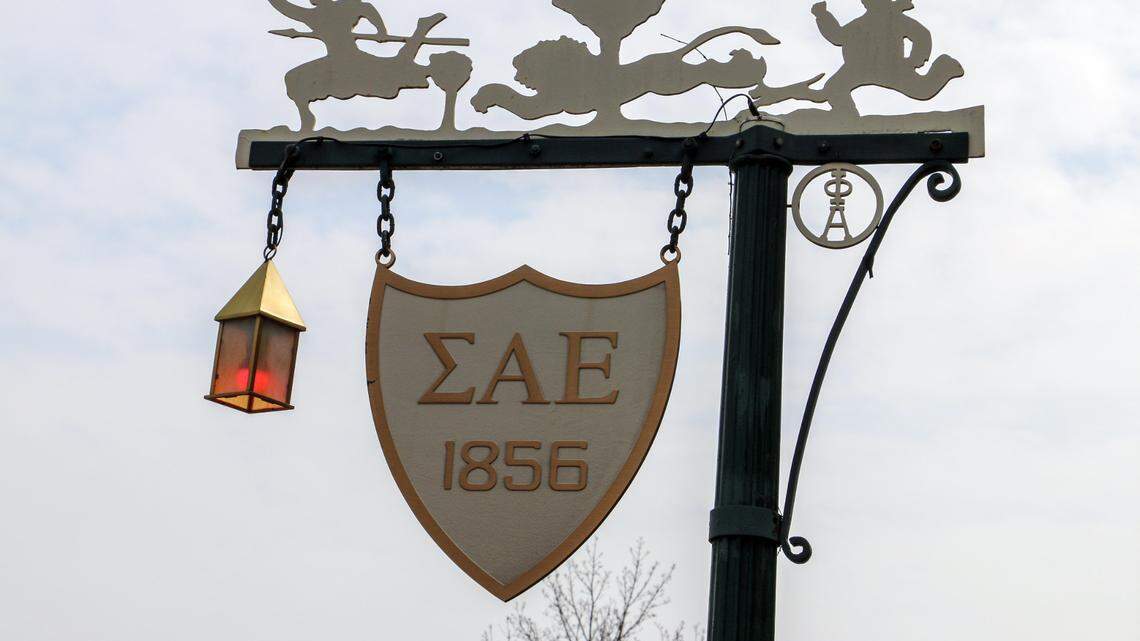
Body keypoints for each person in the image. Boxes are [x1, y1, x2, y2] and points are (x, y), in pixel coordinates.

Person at [811, 0, 963, 115]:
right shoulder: (859, 24)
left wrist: (915, 59)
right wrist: (823, 15)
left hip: (891, 68)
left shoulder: (895, 19)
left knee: (922, 90)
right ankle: (847, 116)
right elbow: (837, 36)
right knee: (835, 88)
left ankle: (945, 67)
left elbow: (921, 35)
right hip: (857, 69)